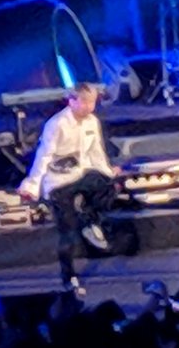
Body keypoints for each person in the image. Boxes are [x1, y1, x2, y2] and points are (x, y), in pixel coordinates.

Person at [18, 82, 117, 295]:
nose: (89, 107)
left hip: (79, 174)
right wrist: (33, 184)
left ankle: (89, 220)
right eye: (84, 102)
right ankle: (69, 276)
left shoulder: (92, 122)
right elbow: (44, 156)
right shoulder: (57, 124)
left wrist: (108, 172)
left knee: (107, 186)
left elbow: (96, 152)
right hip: (57, 182)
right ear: (72, 101)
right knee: (68, 231)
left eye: (92, 102)